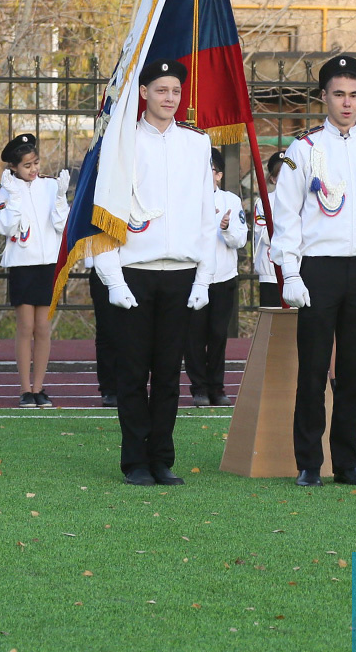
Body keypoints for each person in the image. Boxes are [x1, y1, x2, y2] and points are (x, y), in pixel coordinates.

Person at [270, 55, 356, 487]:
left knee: (353, 373)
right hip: (319, 269)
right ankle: (309, 462)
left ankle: (347, 462)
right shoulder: (303, 149)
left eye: (354, 95)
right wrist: (290, 272)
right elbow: (287, 216)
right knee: (311, 371)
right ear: (323, 96)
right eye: (339, 94)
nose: (347, 103)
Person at [93, 58, 217, 486]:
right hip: (135, 270)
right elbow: (105, 212)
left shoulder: (196, 144)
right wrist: (112, 277)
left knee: (168, 373)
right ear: (143, 92)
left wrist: (203, 276)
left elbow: (205, 212)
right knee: (132, 372)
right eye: (161, 90)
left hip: (180, 271)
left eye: (176, 92)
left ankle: (162, 457)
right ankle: (135, 461)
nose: (170, 98)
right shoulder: (123, 141)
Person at [0, 133, 69, 409]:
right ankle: (25, 388)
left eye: (36, 163)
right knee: (25, 327)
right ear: (14, 167)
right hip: (23, 264)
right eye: (27, 165)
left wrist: (60, 197)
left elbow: (62, 225)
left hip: (47, 263)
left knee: (44, 328)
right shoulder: (4, 190)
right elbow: (5, 228)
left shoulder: (49, 186)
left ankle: (39, 387)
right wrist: (12, 198)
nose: (34, 169)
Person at [185, 147, 248, 406]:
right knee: (194, 336)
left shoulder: (230, 201)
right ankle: (198, 387)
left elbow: (240, 239)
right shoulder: (186, 199)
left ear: (219, 175)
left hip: (222, 277)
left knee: (218, 335)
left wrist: (226, 227)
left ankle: (217, 387)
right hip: (194, 278)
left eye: (208, 170)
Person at [253, 151, 285, 308]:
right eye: (281, 173)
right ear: (273, 178)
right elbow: (263, 234)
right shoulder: (263, 202)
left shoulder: (305, 200)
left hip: (299, 272)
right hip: (270, 273)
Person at [86, 256, 119, 407]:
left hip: (135, 266)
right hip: (103, 267)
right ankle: (109, 389)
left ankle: (133, 385)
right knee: (107, 330)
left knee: (137, 332)